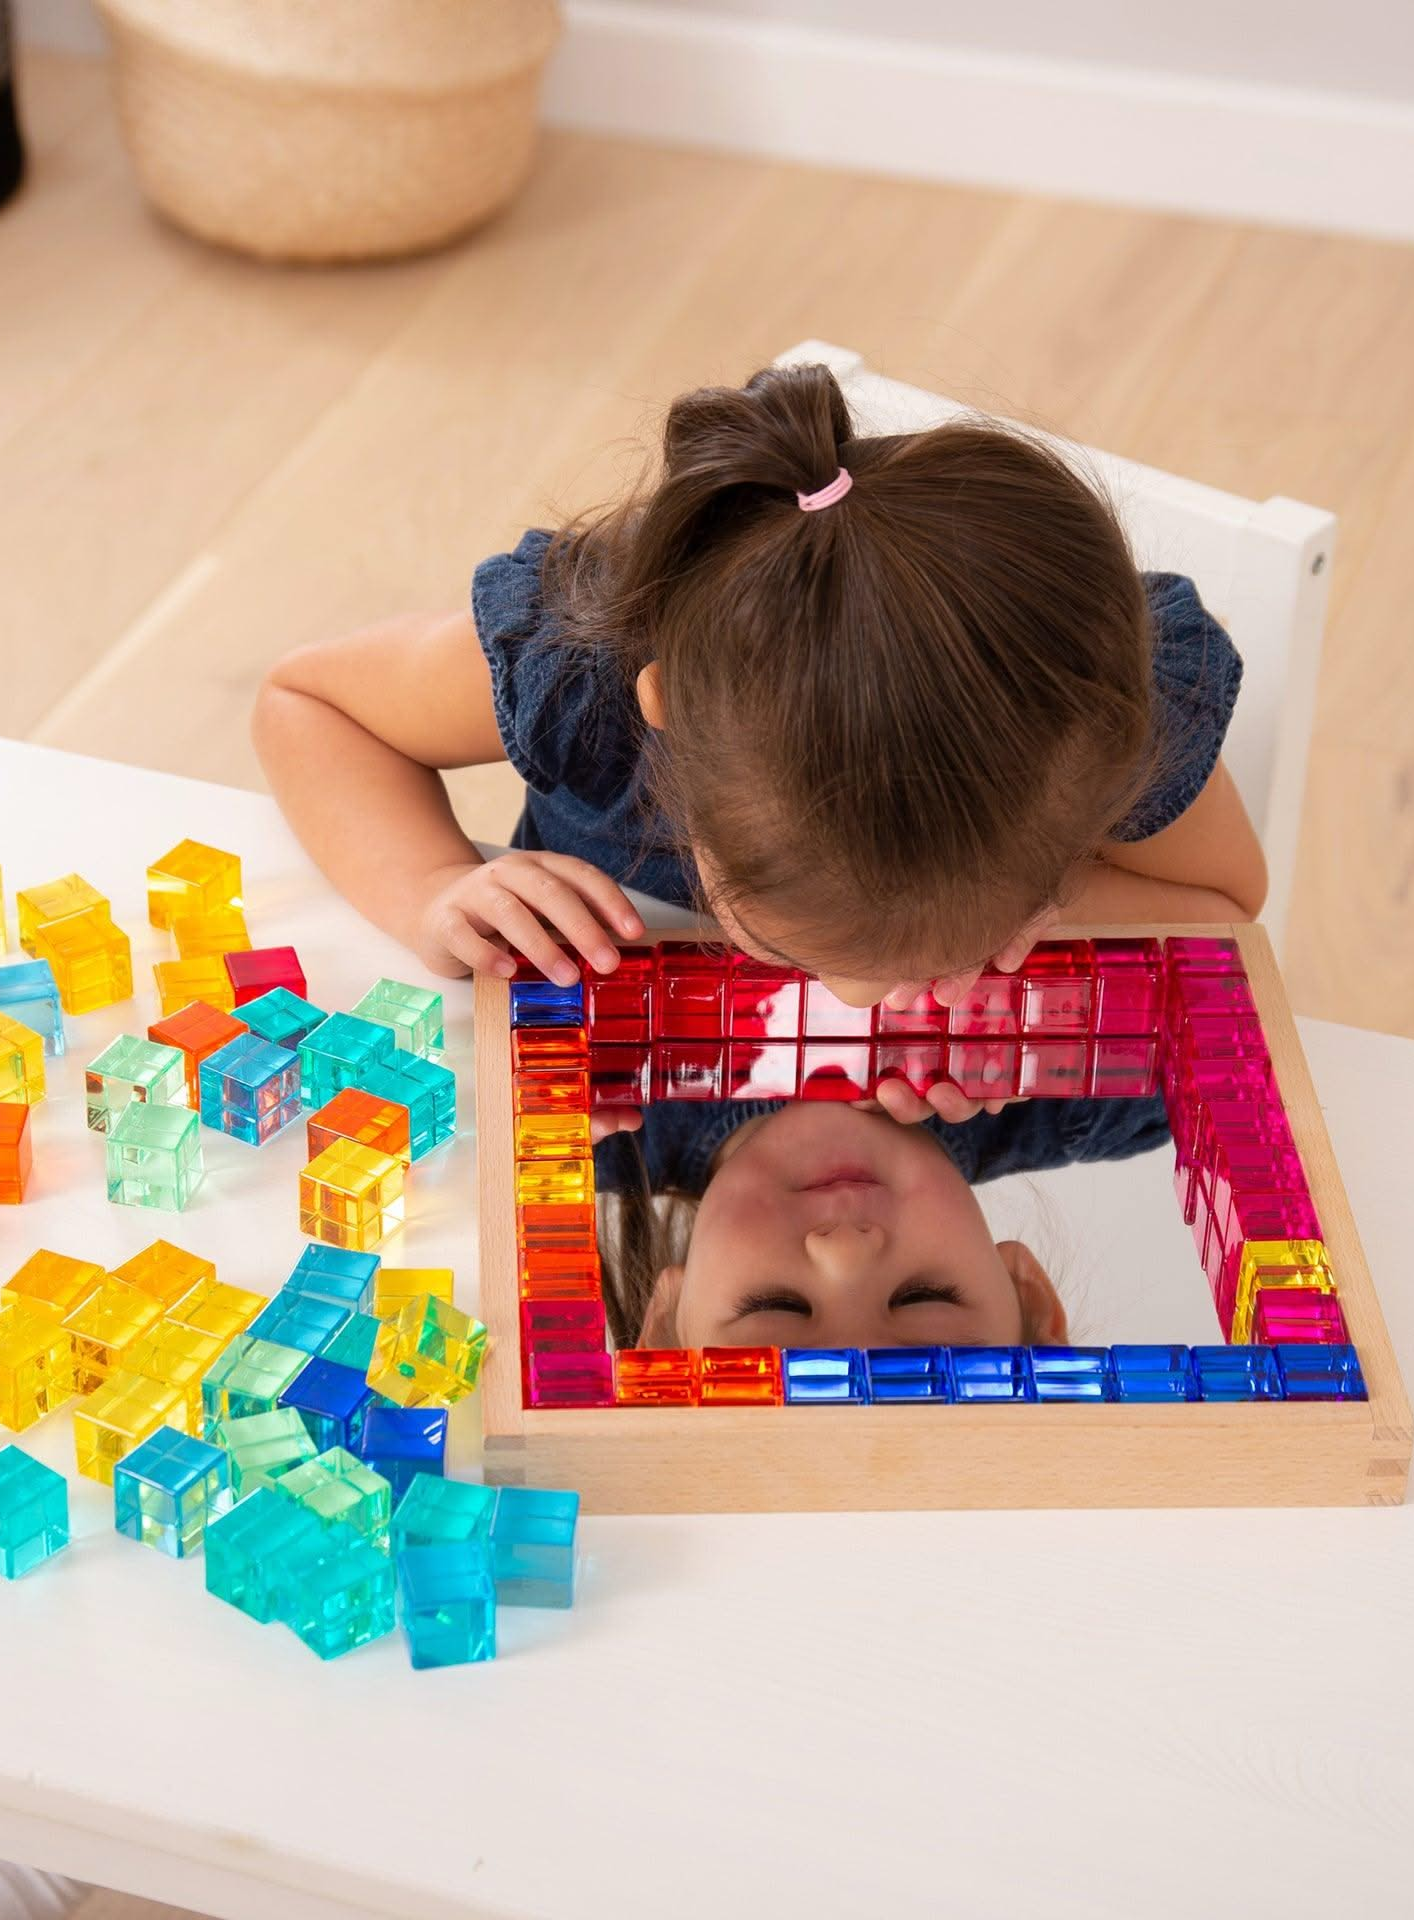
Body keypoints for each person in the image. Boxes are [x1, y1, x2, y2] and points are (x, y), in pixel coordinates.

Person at [255, 359, 1265, 1132]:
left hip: (920, 1146)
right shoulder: (584, 660)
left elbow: (1226, 913)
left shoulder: (1098, 714)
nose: (861, 999)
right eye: (791, 945)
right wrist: (429, 886)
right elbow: (309, 705)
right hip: (640, 1099)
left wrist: (1049, 923)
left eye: (937, 958)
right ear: (664, 716)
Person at [594, 1093, 1169, 1352]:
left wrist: (501, 915)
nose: (845, 1246)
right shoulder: (1113, 1086)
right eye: (922, 1297)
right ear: (1029, 1297)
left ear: (666, 1325)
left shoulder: (552, 1109)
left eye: (778, 1307)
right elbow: (1229, 893)